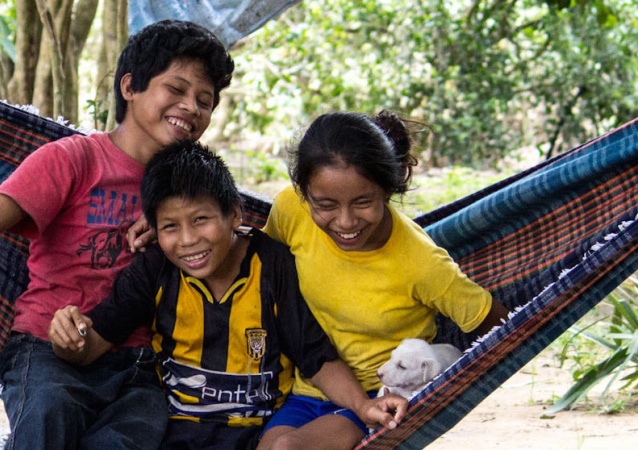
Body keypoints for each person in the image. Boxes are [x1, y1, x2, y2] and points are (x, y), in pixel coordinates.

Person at [48, 141, 408, 450]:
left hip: (257, 434)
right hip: (172, 435)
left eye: (201, 219)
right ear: (154, 230)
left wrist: (363, 406)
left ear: (234, 213)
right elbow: (91, 344)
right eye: (171, 226)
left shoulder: (273, 264)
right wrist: (69, 336)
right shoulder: (154, 269)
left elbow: (313, 355)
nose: (188, 240)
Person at [0, 19, 235, 449]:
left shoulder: (190, 193)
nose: (191, 107)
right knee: (49, 415)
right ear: (129, 87)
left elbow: (238, 245)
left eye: (205, 100)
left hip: (139, 363)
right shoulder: (73, 160)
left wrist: (175, 223)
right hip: (48, 346)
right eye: (177, 89)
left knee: (134, 435)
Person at [255, 110, 511, 450]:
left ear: (388, 190)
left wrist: (442, 386)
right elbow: (263, 273)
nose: (345, 222)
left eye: (363, 202)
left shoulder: (422, 263)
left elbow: (504, 327)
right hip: (303, 390)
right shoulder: (290, 209)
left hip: (377, 403)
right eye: (326, 205)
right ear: (304, 194)